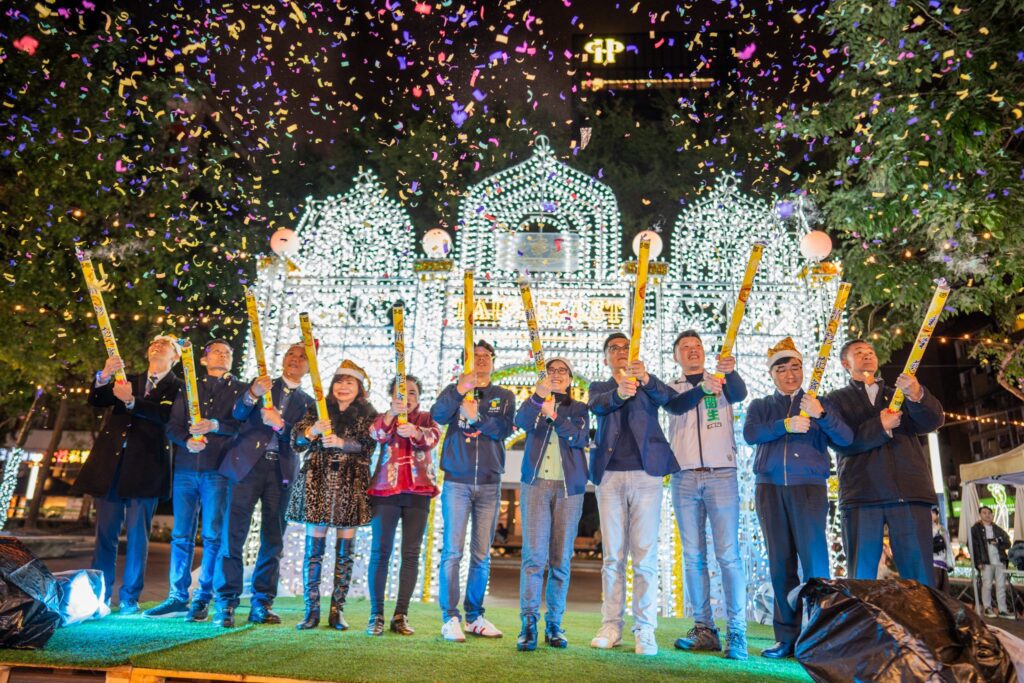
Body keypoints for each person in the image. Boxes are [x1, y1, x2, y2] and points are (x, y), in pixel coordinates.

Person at [742, 337, 853, 659]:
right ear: (772, 374)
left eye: (795, 368)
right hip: (769, 489)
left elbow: (845, 438)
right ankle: (786, 638)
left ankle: (821, 637)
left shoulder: (820, 403)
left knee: (816, 563)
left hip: (809, 489)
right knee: (780, 564)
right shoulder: (761, 405)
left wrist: (820, 415)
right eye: (782, 369)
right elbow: (752, 434)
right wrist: (784, 425)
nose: (790, 374)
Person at [73, 335, 183, 615]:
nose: (156, 346)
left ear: (175, 357)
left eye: (165, 345)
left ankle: (130, 598)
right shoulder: (127, 378)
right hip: (111, 466)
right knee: (105, 536)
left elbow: (167, 417)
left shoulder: (178, 388)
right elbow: (97, 399)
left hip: (146, 468)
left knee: (137, 537)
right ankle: (100, 596)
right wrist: (104, 375)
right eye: (153, 343)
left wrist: (133, 402)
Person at [825, 339, 944, 587]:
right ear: (845, 363)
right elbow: (843, 442)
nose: (867, 355)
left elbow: (932, 421)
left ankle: (923, 625)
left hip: (909, 493)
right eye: (859, 352)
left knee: (920, 577)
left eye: (870, 352)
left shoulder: (898, 395)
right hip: (862, 496)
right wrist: (880, 426)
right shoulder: (835, 400)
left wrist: (918, 394)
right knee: (861, 576)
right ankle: (862, 625)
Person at [588, 332, 679, 657]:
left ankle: (645, 630)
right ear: (606, 358)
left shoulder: (648, 386)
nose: (620, 352)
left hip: (646, 476)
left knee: (645, 556)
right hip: (609, 476)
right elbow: (596, 405)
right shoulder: (599, 387)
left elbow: (673, 401)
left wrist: (645, 379)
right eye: (613, 349)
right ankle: (611, 625)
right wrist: (618, 392)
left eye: (625, 347)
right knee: (613, 557)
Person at [212, 342, 314, 627]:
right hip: (246, 466)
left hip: (281, 472)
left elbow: (303, 441)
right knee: (233, 535)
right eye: (290, 354)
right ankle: (226, 602)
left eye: (302, 357)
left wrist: (282, 426)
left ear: (309, 366)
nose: (295, 360)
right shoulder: (263, 385)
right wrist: (251, 395)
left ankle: (262, 602)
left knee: (273, 538)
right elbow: (238, 414)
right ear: (283, 360)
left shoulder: (310, 402)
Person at [663, 330, 749, 660]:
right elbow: (675, 406)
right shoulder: (673, 388)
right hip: (684, 478)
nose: (692, 351)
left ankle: (737, 631)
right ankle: (704, 629)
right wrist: (702, 387)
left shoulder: (722, 383)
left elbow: (740, 394)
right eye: (685, 348)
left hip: (721, 476)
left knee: (728, 555)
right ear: (677, 357)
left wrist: (730, 371)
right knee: (694, 556)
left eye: (697, 347)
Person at [145, 339, 245, 621]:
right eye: (217, 351)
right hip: (187, 469)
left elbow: (242, 426)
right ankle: (177, 596)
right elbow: (173, 426)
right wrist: (187, 441)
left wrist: (216, 426)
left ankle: (203, 597)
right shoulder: (189, 387)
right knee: (181, 535)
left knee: (212, 535)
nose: (223, 355)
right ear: (202, 359)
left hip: (218, 470)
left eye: (228, 352)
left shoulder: (240, 390)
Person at [430, 340, 515, 642]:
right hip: (457, 481)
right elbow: (437, 416)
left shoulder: (504, 396)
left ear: (493, 360)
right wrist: (457, 392)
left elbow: (505, 429)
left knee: (481, 555)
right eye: (474, 356)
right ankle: (449, 617)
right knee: (453, 552)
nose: (480, 360)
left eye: (485, 356)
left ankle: (475, 616)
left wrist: (477, 416)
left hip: (490, 483)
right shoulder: (455, 390)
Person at [288, 360, 378, 631]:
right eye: (339, 381)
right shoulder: (317, 408)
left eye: (350, 382)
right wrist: (312, 430)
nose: (343, 386)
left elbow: (369, 446)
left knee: (344, 553)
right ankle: (311, 610)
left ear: (359, 388)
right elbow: (297, 441)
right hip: (318, 481)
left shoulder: (368, 413)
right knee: (313, 552)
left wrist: (342, 443)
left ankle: (337, 611)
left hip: (351, 484)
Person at [514, 357, 589, 652]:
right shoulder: (534, 404)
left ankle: (555, 623)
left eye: (562, 371)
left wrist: (554, 416)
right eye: (551, 371)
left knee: (561, 559)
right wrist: (538, 399)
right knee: (534, 557)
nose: (556, 375)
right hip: (535, 486)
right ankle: (529, 622)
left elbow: (579, 437)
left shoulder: (580, 409)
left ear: (570, 378)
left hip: (570, 489)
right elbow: (519, 423)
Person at [366, 374, 440, 636]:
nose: (406, 397)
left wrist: (416, 432)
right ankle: (375, 615)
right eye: (400, 392)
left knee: (410, 554)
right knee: (380, 552)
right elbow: (376, 433)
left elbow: (433, 438)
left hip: (418, 492)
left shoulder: (427, 418)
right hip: (385, 490)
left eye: (411, 392)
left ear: (418, 397)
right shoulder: (383, 417)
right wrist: (390, 416)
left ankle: (400, 615)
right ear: (390, 397)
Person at [970, 506, 1014, 618]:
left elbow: (1008, 543)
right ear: (980, 515)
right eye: (984, 513)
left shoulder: (997, 529)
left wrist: (998, 542)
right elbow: (974, 547)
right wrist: (978, 562)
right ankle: (987, 608)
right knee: (987, 585)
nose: (987, 515)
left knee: (1001, 586)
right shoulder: (975, 529)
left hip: (1000, 561)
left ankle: (1003, 610)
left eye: (989, 512)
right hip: (985, 561)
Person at [932, 507, 953, 593]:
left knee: (944, 590)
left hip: (943, 563)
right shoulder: (923, 528)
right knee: (935, 588)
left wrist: (951, 562)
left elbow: (948, 546)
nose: (931, 514)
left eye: (934, 513)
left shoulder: (942, 529)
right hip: (932, 562)